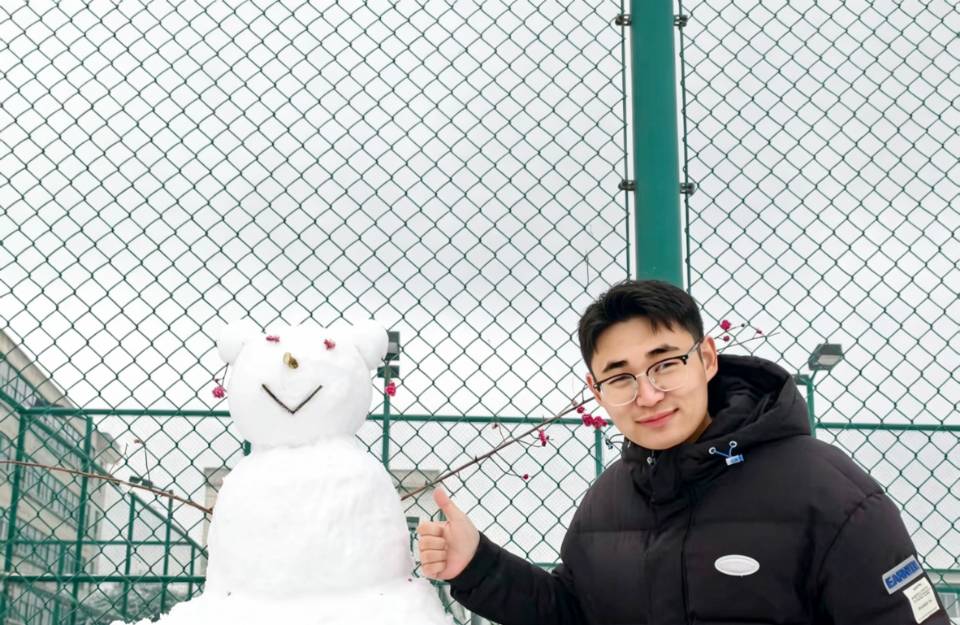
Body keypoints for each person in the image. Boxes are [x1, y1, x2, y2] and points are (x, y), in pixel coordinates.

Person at [417, 279, 948, 624]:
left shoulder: (829, 493)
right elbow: (575, 614)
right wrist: (478, 565)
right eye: (620, 377)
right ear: (596, 391)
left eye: (666, 364)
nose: (648, 395)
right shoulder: (608, 501)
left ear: (707, 359)